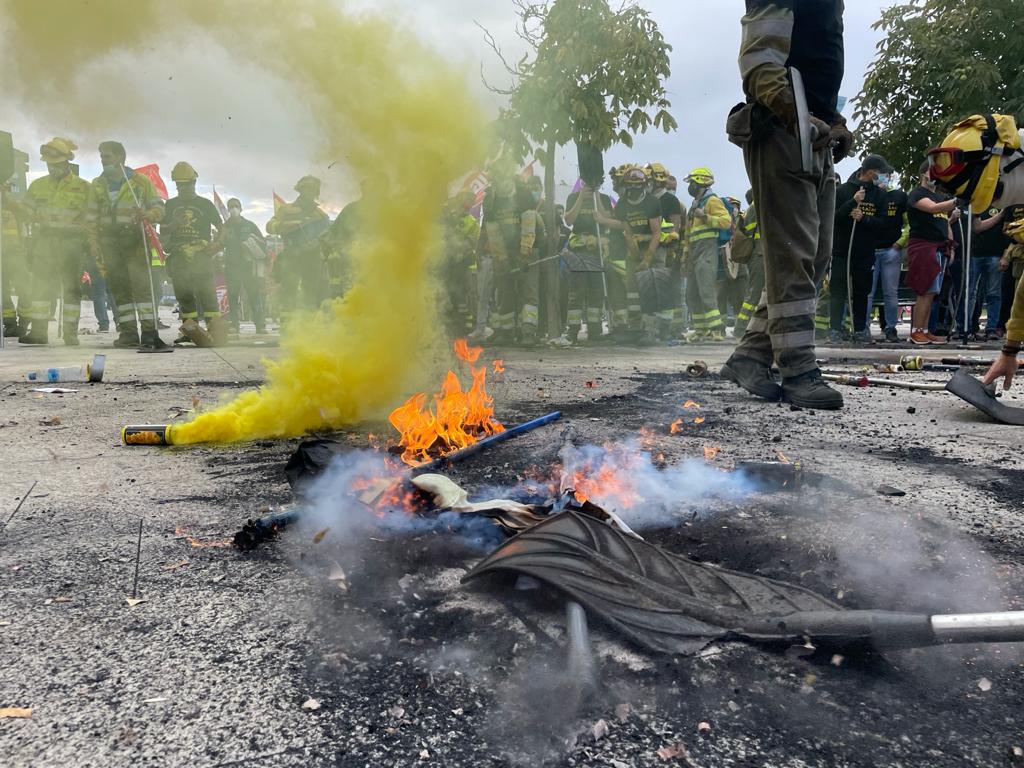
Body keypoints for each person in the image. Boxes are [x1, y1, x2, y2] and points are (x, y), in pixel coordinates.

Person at [722, 0, 852, 410]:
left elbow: (818, 68)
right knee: (793, 257)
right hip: (784, 131)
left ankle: (750, 356)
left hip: (814, 134)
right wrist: (791, 112)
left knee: (814, 256)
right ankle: (797, 370)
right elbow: (760, 60)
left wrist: (835, 123)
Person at [10, 138, 93, 346]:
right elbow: (27, 212)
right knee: (40, 287)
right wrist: (9, 202)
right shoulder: (38, 186)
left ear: (67, 162)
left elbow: (92, 219)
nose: (52, 168)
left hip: (72, 244)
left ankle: (70, 334)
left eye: (55, 164)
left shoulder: (84, 188)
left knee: (72, 288)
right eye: (48, 164)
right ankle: (38, 332)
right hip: (44, 243)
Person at [89, 141, 167, 350]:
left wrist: (150, 214)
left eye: (107, 156)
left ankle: (150, 333)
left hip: (134, 241)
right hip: (110, 243)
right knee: (119, 289)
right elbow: (91, 218)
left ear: (120, 158)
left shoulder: (140, 182)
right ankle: (128, 333)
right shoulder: (97, 184)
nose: (103, 160)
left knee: (142, 288)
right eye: (102, 157)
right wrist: (94, 243)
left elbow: (158, 206)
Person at [596, 166, 665, 346]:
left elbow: (657, 232)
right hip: (632, 250)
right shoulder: (623, 204)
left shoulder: (651, 202)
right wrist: (634, 256)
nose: (633, 190)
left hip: (651, 248)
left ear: (644, 185)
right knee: (633, 292)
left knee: (650, 289)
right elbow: (624, 227)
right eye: (629, 186)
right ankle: (635, 329)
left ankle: (650, 330)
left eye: (637, 186)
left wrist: (647, 259)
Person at [161, 162, 226, 346]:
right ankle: (190, 331)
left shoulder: (204, 204)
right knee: (184, 295)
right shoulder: (170, 205)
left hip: (201, 255)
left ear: (194, 182)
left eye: (187, 184)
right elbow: (163, 229)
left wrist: (218, 244)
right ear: (176, 185)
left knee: (207, 293)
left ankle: (216, 331)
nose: (184, 188)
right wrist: (175, 224)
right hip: (179, 256)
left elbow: (221, 226)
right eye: (180, 184)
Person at [829, 155, 889, 345]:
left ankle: (860, 329)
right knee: (838, 291)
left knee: (862, 292)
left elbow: (884, 224)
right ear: (870, 171)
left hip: (865, 251)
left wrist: (865, 218)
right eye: (880, 172)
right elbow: (833, 218)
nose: (883, 176)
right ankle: (835, 330)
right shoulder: (843, 190)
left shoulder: (880, 196)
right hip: (842, 251)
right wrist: (851, 204)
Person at [906, 161, 959, 345]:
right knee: (924, 290)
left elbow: (944, 221)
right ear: (923, 174)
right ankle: (916, 331)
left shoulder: (938, 196)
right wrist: (956, 201)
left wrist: (950, 246)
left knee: (933, 292)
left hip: (939, 247)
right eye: (932, 172)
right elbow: (932, 209)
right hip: (923, 246)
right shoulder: (917, 194)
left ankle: (926, 330)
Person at [266, 176, 330, 315]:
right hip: (291, 256)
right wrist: (283, 226)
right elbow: (270, 226)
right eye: (307, 189)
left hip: (313, 258)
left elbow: (329, 236)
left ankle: (307, 324)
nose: (310, 192)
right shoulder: (286, 210)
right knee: (289, 291)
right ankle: (288, 324)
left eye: (313, 190)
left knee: (310, 292)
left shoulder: (320, 215)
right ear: (300, 190)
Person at [561, 180, 613, 345]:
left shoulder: (604, 198)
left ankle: (595, 329)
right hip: (578, 251)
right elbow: (568, 220)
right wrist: (581, 199)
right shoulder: (573, 197)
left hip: (596, 250)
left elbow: (607, 219)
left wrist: (597, 197)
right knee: (576, 291)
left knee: (595, 292)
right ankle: (573, 330)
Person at [683, 168, 731, 341]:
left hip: (707, 251)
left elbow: (726, 222)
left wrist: (705, 217)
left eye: (692, 183)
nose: (691, 187)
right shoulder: (695, 204)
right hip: (694, 252)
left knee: (706, 290)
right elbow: (689, 234)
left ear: (701, 182)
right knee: (691, 293)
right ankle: (700, 330)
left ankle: (716, 329)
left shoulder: (712, 201)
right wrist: (685, 257)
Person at [954, 207, 1006, 341]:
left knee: (994, 294)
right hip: (974, 254)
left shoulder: (1005, 205)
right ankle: (966, 328)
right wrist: (1000, 215)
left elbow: (1007, 231)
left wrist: (1005, 255)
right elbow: (977, 227)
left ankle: (991, 329)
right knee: (970, 293)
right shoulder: (977, 204)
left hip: (996, 254)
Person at [867, 178, 908, 342]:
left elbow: (908, 222)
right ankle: (863, 328)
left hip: (891, 250)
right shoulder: (868, 194)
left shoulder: (899, 196)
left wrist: (901, 242)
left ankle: (891, 328)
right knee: (867, 293)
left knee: (891, 292)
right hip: (870, 250)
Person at [649, 163, 685, 338]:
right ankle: (657, 327)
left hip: (667, 251)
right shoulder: (649, 199)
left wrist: (672, 246)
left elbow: (675, 229)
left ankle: (675, 328)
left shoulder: (670, 201)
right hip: (652, 249)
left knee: (672, 288)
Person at [222, 197, 267, 334]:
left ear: (241, 208)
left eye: (236, 206)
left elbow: (263, 242)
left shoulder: (250, 225)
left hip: (248, 266)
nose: (234, 209)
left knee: (254, 295)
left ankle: (260, 325)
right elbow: (218, 243)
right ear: (228, 209)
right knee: (233, 296)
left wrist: (251, 243)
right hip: (232, 266)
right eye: (231, 206)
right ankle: (233, 325)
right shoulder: (224, 227)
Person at [733, 189, 763, 337]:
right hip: (759, 255)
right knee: (754, 294)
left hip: (760, 255)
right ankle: (741, 328)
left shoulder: (755, 208)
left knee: (756, 293)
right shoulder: (757, 206)